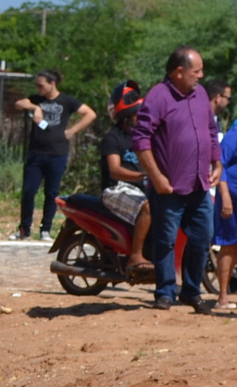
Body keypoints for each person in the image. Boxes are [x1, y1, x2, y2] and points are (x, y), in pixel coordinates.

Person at [135, 46, 223, 312]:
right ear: (179, 72)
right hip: (169, 186)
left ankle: (191, 291)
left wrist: (217, 162)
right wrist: (157, 177)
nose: (201, 75)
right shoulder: (158, 97)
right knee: (166, 240)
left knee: (203, 237)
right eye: (196, 71)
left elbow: (210, 129)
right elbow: (140, 140)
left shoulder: (200, 95)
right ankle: (165, 292)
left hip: (199, 184)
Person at [15, 69, 97, 240]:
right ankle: (24, 229)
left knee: (51, 192)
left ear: (52, 84)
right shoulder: (37, 99)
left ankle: (46, 228)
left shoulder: (66, 100)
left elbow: (90, 113)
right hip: (36, 152)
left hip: (57, 152)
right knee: (29, 191)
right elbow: (19, 103)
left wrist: (73, 130)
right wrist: (34, 107)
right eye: (37, 86)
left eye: (41, 85)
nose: (39, 89)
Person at [99, 81, 153, 272]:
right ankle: (135, 256)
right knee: (148, 207)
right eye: (138, 113)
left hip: (140, 188)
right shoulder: (113, 138)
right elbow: (114, 170)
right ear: (126, 117)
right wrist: (145, 175)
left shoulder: (146, 137)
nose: (143, 117)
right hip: (116, 189)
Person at [211, 78, 237, 310]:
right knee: (229, 245)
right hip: (232, 197)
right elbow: (221, 162)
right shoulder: (235, 132)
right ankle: (222, 297)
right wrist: (225, 196)